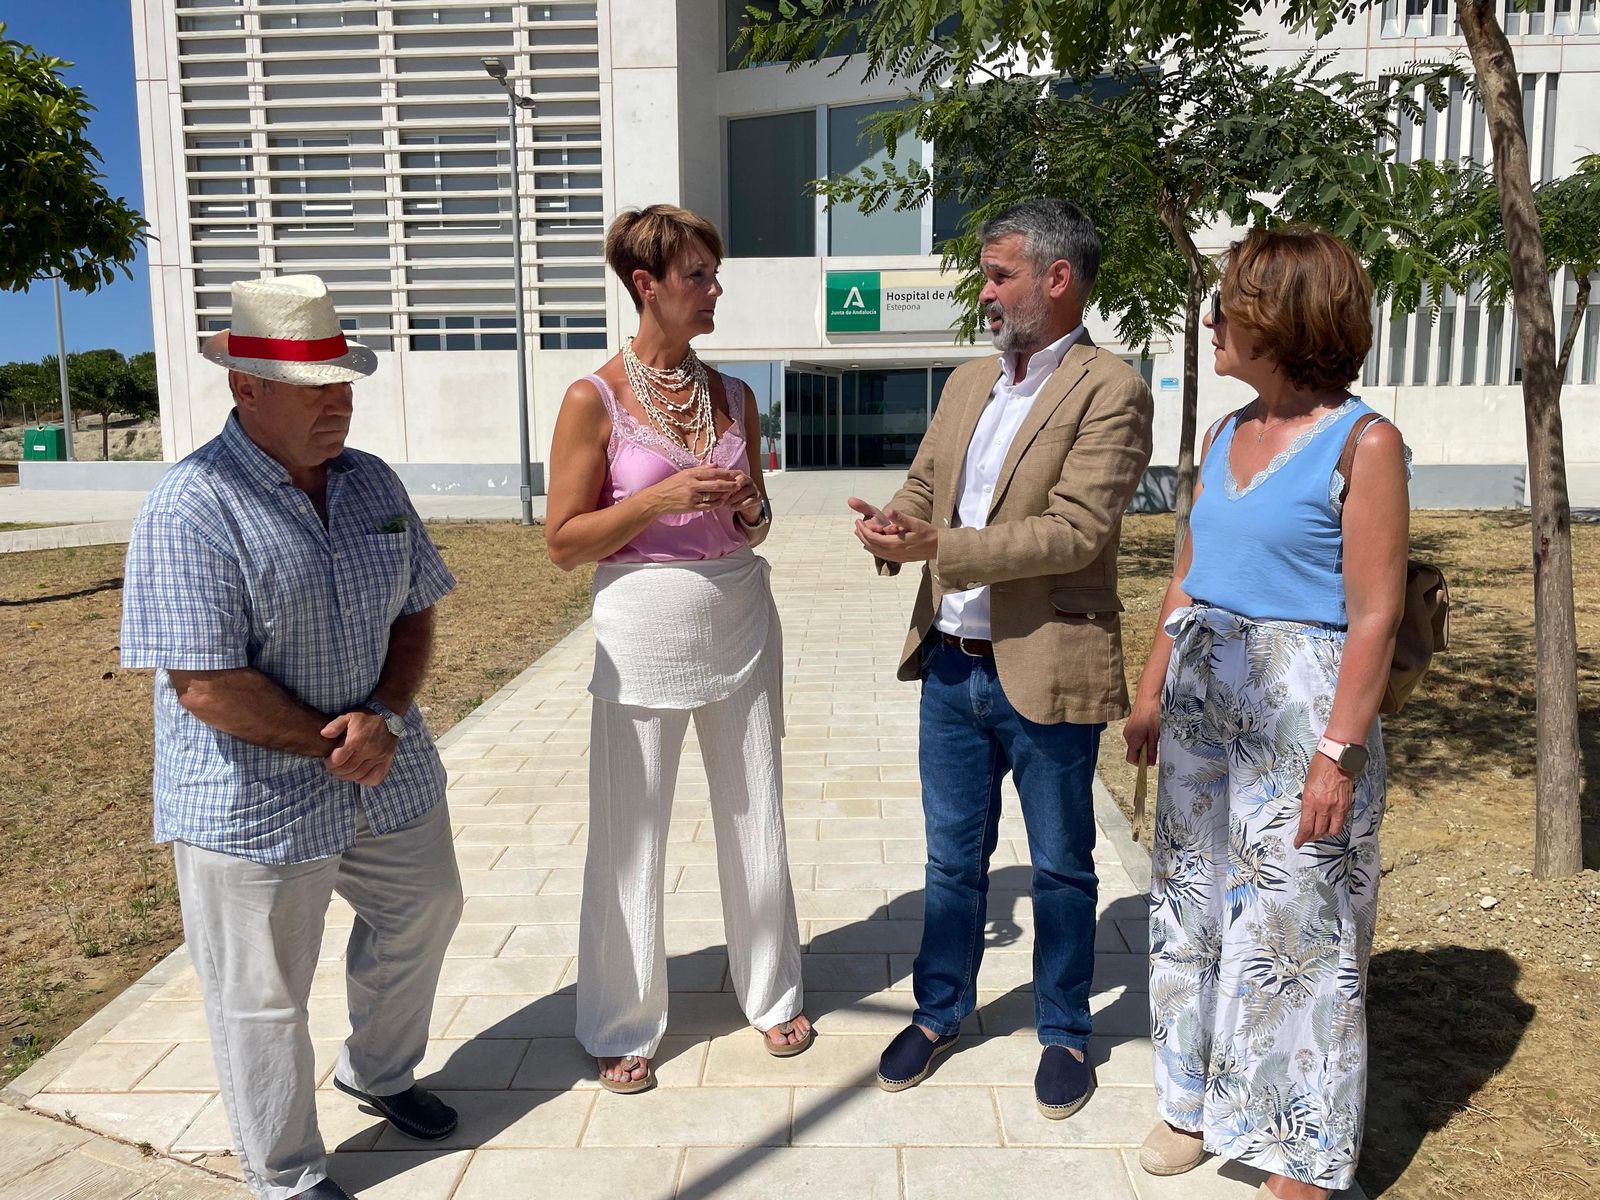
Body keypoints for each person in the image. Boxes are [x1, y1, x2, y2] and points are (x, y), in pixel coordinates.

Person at [119, 275, 464, 1200]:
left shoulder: (371, 482)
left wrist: (386, 715)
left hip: (387, 765)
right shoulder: (192, 503)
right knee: (262, 997)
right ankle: (286, 1171)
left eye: (344, 382)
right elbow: (203, 684)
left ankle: (379, 1072)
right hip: (251, 797)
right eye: (316, 387)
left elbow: (415, 604)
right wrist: (333, 742)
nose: (340, 403)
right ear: (248, 389)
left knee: (425, 909)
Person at [1123, 227, 1410, 1200]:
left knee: (1297, 933)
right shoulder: (1220, 433)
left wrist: (1339, 754)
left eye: (1226, 305)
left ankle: (1298, 1151)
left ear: (1283, 317)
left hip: (1304, 711)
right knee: (1189, 909)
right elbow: (1187, 574)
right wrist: (1152, 685)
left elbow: (1376, 613)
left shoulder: (1363, 442)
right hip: (1209, 696)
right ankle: (1188, 1100)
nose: (1208, 321)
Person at [852, 199, 1154, 1118]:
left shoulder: (1112, 387)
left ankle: (1064, 1026)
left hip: (1047, 664)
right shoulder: (968, 382)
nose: (984, 293)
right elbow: (925, 480)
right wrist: (898, 524)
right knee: (952, 861)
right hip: (950, 662)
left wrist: (940, 545)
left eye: (997, 275)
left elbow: (1076, 531)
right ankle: (939, 1009)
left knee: (1062, 864)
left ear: (1055, 280)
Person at [545, 204, 810, 1094]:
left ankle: (772, 992)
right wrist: (658, 503)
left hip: (737, 609)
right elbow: (562, 541)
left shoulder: (736, 396)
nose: (714, 290)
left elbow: (761, 518)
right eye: (696, 276)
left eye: (713, 273)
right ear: (644, 284)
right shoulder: (594, 399)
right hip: (641, 622)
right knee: (632, 830)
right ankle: (621, 1018)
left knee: (755, 808)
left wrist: (744, 510)